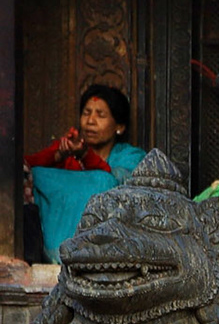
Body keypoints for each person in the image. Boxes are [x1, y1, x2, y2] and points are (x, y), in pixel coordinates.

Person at [25, 84, 143, 260]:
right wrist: (57, 154)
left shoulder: (130, 156)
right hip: (53, 247)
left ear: (119, 126)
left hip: (109, 250)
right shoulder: (70, 155)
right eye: (86, 113)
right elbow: (26, 168)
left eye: (100, 115)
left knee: (104, 181)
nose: (90, 121)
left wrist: (86, 156)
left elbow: (117, 185)